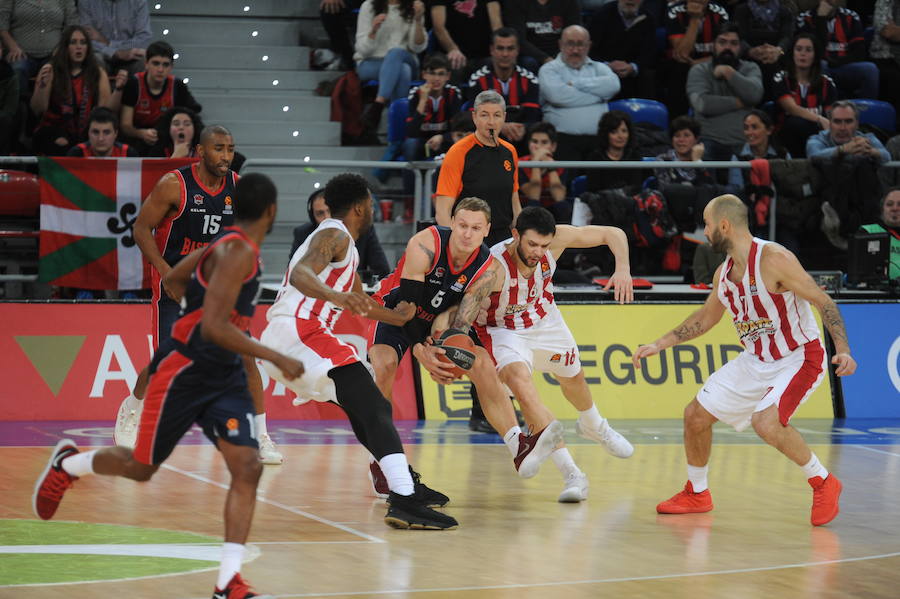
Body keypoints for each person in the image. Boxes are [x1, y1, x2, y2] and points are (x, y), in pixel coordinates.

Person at [32, 173, 301, 599]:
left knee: (247, 468)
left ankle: (227, 582)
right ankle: (68, 465)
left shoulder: (230, 244)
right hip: (185, 372)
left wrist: (194, 309)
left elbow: (174, 278)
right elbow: (213, 327)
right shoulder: (235, 251)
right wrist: (276, 356)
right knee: (141, 468)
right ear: (272, 211)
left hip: (223, 376)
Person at [633, 193, 856, 526]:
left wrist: (843, 349)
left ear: (724, 225)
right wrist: (660, 344)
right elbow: (705, 319)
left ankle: (823, 481)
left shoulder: (774, 259)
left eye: (707, 225)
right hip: (757, 359)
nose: (704, 231)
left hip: (799, 356)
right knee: (695, 415)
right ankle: (697, 492)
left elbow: (823, 301)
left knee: (765, 422)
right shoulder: (724, 274)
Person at [259, 172, 458, 530]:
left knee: (370, 407)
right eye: (370, 207)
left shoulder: (344, 244)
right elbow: (304, 274)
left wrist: (397, 318)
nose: (373, 213)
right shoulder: (332, 233)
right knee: (373, 405)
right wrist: (334, 296)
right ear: (359, 208)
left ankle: (397, 484)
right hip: (299, 333)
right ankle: (403, 497)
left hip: (290, 341)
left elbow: (359, 304)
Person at [114, 125, 284, 466]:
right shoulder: (173, 185)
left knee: (246, 360)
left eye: (230, 149)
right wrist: (164, 271)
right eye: (219, 148)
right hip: (175, 285)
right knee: (166, 362)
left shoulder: (237, 187)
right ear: (201, 151)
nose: (226, 156)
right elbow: (140, 228)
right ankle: (132, 408)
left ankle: (259, 434)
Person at [368, 197, 562, 494]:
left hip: (438, 319)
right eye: (461, 226)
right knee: (384, 366)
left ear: (487, 231)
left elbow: (460, 322)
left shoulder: (487, 267)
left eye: (475, 228)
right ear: (452, 223)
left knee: (481, 361)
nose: (467, 234)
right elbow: (406, 308)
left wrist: (446, 357)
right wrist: (422, 351)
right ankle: (381, 462)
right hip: (396, 311)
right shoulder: (425, 243)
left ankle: (517, 444)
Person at [442, 206, 635, 502]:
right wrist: (452, 346)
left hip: (546, 319)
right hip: (503, 331)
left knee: (574, 381)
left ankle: (594, 425)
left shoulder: (553, 242)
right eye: (532, 244)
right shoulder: (494, 268)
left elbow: (614, 233)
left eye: (544, 246)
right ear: (516, 235)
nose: (538, 252)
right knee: (522, 386)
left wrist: (622, 269)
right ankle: (573, 474)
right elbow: (465, 312)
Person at [434, 89, 523, 431]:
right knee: (472, 323)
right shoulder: (460, 152)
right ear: (474, 117)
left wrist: (519, 238)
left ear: (504, 118)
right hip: (472, 248)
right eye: (484, 115)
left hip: (502, 247)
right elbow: (444, 206)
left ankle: (499, 406)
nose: (490, 122)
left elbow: (514, 200)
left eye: (497, 116)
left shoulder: (510, 152)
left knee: (501, 324)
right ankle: (480, 411)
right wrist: (451, 249)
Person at [29, 25, 123, 156]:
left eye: (83, 43)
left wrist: (118, 90)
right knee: (61, 143)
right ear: (65, 47)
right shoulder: (50, 69)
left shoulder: (98, 72)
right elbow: (38, 109)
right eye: (73, 42)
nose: (79, 47)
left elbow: (105, 112)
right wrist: (42, 87)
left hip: (86, 129)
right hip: (53, 128)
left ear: (88, 48)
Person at [538, 25, 620, 163]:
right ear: (560, 45)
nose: (575, 50)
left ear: (589, 46)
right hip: (561, 141)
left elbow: (614, 86)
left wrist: (576, 84)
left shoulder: (600, 68)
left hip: (598, 141)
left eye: (581, 44)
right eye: (570, 44)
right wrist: (599, 96)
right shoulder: (548, 70)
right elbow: (557, 96)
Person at [687, 22, 764, 163]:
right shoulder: (700, 70)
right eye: (722, 42)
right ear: (713, 45)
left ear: (740, 47)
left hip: (744, 142)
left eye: (733, 43)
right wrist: (739, 102)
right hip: (709, 141)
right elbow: (702, 104)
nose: (728, 47)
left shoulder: (750, 68)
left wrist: (728, 72)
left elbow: (754, 95)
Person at [355, 0, 428, 131]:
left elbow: (417, 47)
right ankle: (398, 133)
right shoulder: (368, 6)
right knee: (402, 71)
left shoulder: (413, 6)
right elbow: (363, 50)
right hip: (371, 62)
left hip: (405, 58)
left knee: (395, 53)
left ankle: (378, 105)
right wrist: (373, 31)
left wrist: (418, 20)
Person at [120, 40, 203, 155]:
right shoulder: (134, 84)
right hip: (137, 140)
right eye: (156, 63)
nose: (160, 69)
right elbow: (125, 126)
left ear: (171, 67)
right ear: (146, 64)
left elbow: (193, 115)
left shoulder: (177, 86)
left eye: (165, 64)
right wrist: (141, 133)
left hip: (167, 141)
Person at [290, 188, 390, 280]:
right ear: (312, 216)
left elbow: (382, 270)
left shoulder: (361, 229)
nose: (327, 218)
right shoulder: (303, 233)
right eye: (320, 213)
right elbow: (294, 273)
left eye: (330, 211)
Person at [466, 27, 541, 145]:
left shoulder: (530, 80)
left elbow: (533, 118)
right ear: (492, 50)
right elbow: (474, 118)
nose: (505, 54)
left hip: (521, 138)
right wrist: (502, 127)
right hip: (488, 138)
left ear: (517, 51)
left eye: (510, 49)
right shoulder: (478, 80)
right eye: (500, 48)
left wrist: (524, 128)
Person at [795, 0, 878, 100]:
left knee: (870, 69)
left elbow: (859, 52)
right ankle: (827, 109)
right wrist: (821, 19)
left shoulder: (851, 16)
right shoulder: (804, 18)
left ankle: (865, 111)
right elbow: (813, 51)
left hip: (844, 65)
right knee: (821, 65)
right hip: (818, 66)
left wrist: (837, 62)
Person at [773, 33, 837, 158]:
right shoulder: (781, 78)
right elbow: (791, 109)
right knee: (795, 123)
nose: (803, 54)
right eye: (799, 49)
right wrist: (819, 119)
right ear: (792, 53)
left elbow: (831, 117)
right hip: (786, 137)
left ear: (815, 55)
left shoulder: (827, 83)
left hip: (818, 138)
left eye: (808, 50)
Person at [664, 0, 730, 120]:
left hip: (712, 66)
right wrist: (694, 20)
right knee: (679, 68)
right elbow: (682, 53)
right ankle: (679, 126)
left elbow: (727, 52)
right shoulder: (675, 11)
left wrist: (699, 63)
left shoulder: (720, 12)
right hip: (681, 71)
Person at [0, 0, 76, 96]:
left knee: (60, 69)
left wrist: (62, 48)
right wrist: (12, 46)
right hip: (20, 52)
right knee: (18, 69)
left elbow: (72, 24)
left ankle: (56, 109)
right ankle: (19, 108)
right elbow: (2, 23)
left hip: (55, 53)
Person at [588, 0, 659, 100]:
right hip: (604, 70)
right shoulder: (602, 14)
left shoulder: (648, 18)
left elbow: (649, 52)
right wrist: (607, 66)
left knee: (648, 76)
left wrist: (632, 67)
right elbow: (590, 50)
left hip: (634, 73)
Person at [404, 53, 463, 165]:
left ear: (448, 76)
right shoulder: (415, 93)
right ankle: (414, 182)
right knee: (410, 144)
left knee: (459, 142)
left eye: (441, 74)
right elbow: (411, 132)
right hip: (422, 142)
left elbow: (457, 127)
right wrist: (422, 101)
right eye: (432, 74)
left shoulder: (453, 93)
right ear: (424, 75)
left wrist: (442, 137)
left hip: (444, 141)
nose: (436, 79)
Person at [732, 0, 795, 101]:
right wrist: (749, 51)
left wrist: (779, 51)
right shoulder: (741, 10)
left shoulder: (785, 12)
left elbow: (788, 38)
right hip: (748, 61)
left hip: (777, 60)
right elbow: (738, 37)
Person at [77, 0, 153, 76]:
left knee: (142, 60)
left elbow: (144, 38)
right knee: (94, 59)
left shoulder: (138, 1)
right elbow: (86, 40)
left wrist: (107, 42)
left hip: (129, 56)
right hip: (102, 55)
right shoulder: (86, 2)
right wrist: (115, 53)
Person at [430, 0, 502, 79]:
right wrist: (452, 49)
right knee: (453, 66)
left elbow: (497, 27)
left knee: (500, 64)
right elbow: (439, 28)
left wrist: (499, 51)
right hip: (452, 53)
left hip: (484, 55)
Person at [502, 0, 583, 69]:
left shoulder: (569, 2)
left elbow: (573, 35)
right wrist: (545, 59)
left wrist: (558, 58)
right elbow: (518, 39)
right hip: (530, 53)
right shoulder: (515, 2)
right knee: (528, 62)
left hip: (561, 52)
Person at [519, 122, 570, 223]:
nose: (538, 147)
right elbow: (533, 195)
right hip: (527, 209)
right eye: (534, 141)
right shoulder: (520, 164)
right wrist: (536, 163)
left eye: (544, 142)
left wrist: (551, 167)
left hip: (552, 211)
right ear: (528, 144)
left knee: (563, 206)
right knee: (533, 204)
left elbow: (559, 197)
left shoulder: (561, 167)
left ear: (553, 146)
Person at [586, 110, 646, 195]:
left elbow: (636, 188)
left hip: (629, 203)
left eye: (624, 131)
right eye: (614, 132)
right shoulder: (595, 157)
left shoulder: (634, 156)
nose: (620, 136)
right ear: (606, 134)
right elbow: (593, 190)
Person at [728, 109, 790, 190]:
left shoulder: (783, 154)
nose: (749, 133)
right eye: (746, 128)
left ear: (769, 130)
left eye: (754, 127)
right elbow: (736, 190)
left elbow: (789, 186)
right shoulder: (737, 156)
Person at [655, 115, 711, 186]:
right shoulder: (663, 160)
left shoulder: (706, 160)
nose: (681, 140)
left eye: (686, 135)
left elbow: (709, 189)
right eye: (677, 136)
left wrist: (697, 161)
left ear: (696, 139)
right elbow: (665, 190)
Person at [859, 187, 900, 283]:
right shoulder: (868, 231)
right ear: (882, 209)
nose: (895, 208)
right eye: (889, 204)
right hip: (876, 293)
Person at [871, 0, 900, 129]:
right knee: (893, 78)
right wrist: (894, 32)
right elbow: (888, 32)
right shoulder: (885, 2)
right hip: (885, 58)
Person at [66, 106, 138, 157]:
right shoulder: (77, 154)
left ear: (115, 134)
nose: (101, 138)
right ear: (88, 133)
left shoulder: (128, 154)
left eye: (106, 132)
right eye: (95, 132)